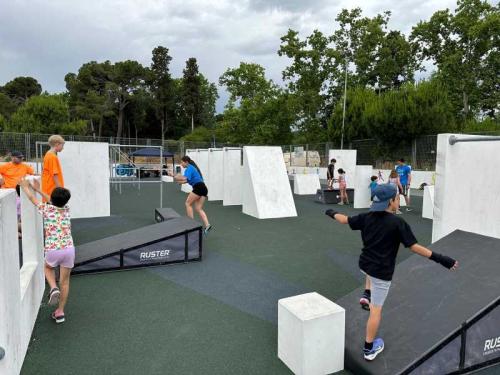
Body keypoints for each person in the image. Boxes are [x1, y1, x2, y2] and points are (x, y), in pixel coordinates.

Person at [325, 184, 458, 361]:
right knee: (376, 310)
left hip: (364, 263)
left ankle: (366, 293)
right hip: (381, 273)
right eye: (397, 198)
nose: (398, 201)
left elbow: (344, 220)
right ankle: (369, 349)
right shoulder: (398, 223)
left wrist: (331, 212)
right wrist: (443, 259)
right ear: (391, 201)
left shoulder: (366, 217)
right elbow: (414, 247)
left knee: (369, 272)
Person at [19, 178, 74, 324]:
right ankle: (60, 312)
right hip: (69, 249)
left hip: (53, 249)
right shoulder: (66, 210)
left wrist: (26, 187)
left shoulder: (47, 209)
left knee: (47, 268)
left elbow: (32, 199)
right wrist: (38, 189)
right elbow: (52, 200)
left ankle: (53, 288)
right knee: (66, 282)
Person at [172, 156, 211, 234]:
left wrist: (173, 175)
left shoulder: (189, 168)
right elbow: (186, 180)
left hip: (198, 188)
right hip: (203, 188)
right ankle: (207, 225)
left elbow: (183, 178)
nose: (181, 164)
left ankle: (191, 225)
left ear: (186, 162)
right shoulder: (192, 168)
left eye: (182, 162)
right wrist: (180, 182)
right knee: (198, 208)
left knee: (188, 203)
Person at [42, 135, 65, 201]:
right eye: (62, 146)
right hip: (52, 190)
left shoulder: (48, 154)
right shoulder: (52, 156)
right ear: (57, 144)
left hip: (49, 190)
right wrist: (61, 191)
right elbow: (55, 174)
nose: (63, 148)